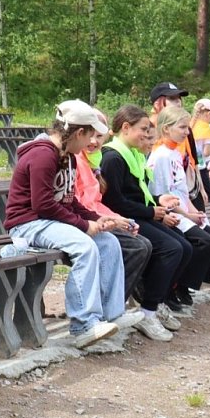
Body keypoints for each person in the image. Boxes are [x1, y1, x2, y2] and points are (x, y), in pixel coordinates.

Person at [4, 101, 126, 347]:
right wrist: (83, 226)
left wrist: (95, 218)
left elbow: (68, 201)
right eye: (91, 135)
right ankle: (83, 325)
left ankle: (108, 317)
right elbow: (42, 205)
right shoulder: (43, 155)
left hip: (49, 221)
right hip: (28, 224)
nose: (92, 143)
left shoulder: (68, 156)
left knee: (108, 243)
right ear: (79, 133)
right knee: (85, 246)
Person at [99, 105, 188, 342]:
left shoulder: (134, 154)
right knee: (170, 248)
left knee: (184, 245)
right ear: (125, 128)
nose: (147, 135)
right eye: (143, 129)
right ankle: (148, 310)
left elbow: (137, 194)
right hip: (123, 218)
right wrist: (152, 212)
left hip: (139, 214)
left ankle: (156, 301)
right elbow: (115, 202)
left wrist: (159, 200)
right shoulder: (113, 157)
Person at [149, 106, 210, 307]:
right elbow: (164, 195)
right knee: (204, 242)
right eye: (182, 127)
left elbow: (182, 191)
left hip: (183, 209)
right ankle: (174, 286)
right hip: (172, 212)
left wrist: (194, 211)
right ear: (166, 129)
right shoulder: (161, 155)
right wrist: (187, 215)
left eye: (187, 127)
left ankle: (188, 284)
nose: (187, 131)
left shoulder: (175, 153)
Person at [77, 125, 153, 304]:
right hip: (83, 222)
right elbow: (80, 204)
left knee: (145, 244)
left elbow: (96, 202)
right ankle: (110, 307)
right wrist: (114, 219)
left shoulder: (94, 160)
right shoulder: (84, 160)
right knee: (138, 247)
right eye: (91, 135)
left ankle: (119, 305)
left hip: (96, 218)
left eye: (99, 136)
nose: (94, 141)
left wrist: (119, 219)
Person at [149, 82, 208, 208]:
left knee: (200, 219)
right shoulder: (148, 128)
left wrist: (201, 189)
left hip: (188, 185)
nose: (178, 102)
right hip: (163, 191)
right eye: (172, 98)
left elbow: (194, 160)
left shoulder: (186, 129)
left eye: (179, 98)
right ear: (158, 103)